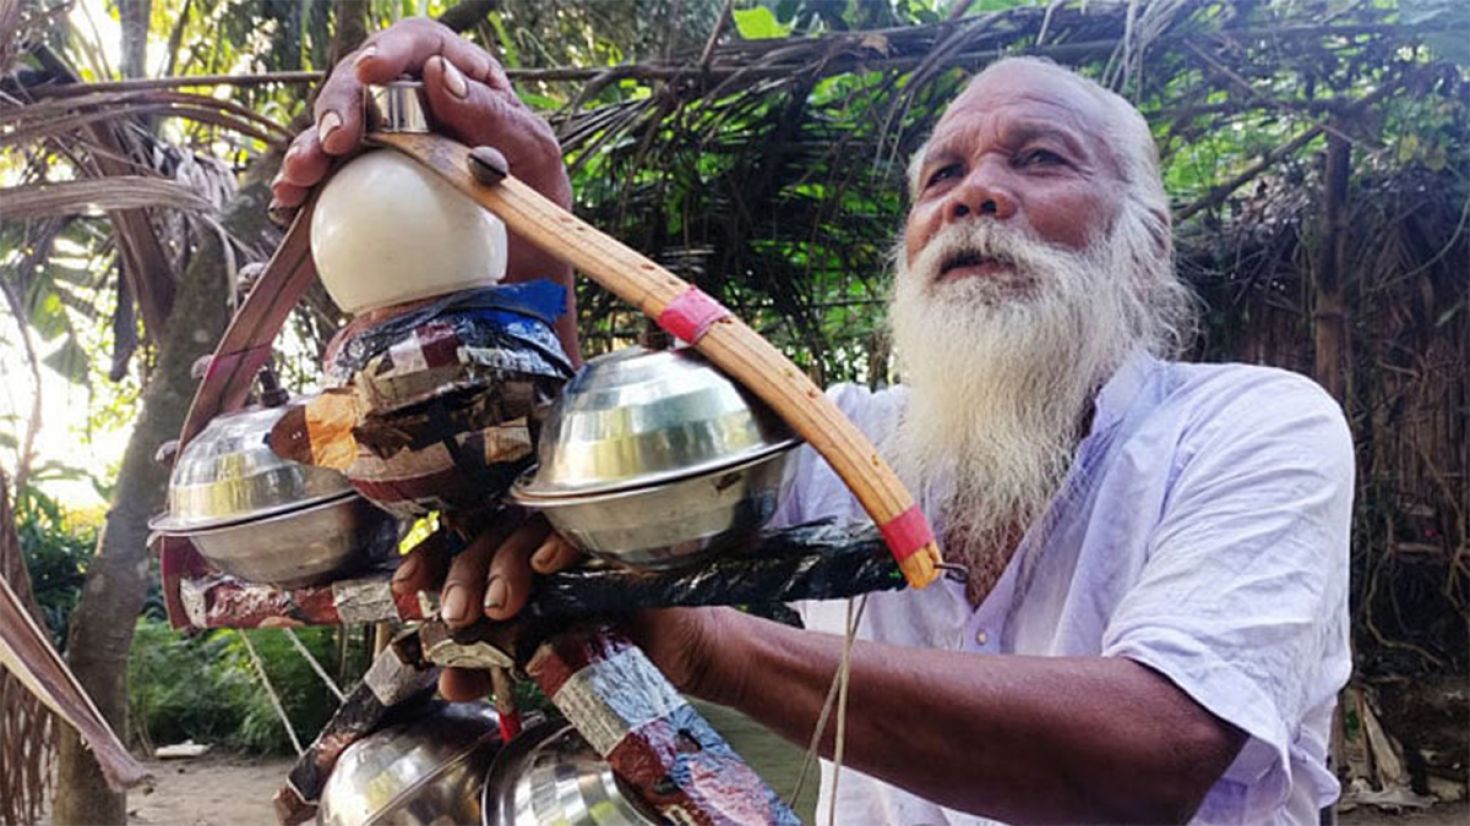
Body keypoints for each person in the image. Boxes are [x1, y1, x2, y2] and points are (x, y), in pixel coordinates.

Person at [275, 18, 1353, 825]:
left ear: (1147, 242)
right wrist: (520, 179)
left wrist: (722, 650)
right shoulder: (842, 439)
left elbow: (1157, 748)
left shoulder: (1250, 427)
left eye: (1039, 158)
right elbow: (574, 457)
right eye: (943, 174)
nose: (974, 194)